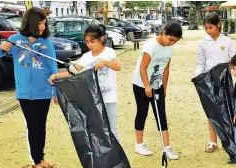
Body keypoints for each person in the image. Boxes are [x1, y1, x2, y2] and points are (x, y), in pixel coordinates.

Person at [0, 7, 59, 168]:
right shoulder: (16, 40)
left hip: (44, 91)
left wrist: (56, 91)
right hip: (25, 94)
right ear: (30, 22)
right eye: (40, 23)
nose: (43, 27)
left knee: (41, 126)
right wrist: (1, 45)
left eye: (44, 23)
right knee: (33, 126)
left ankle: (41, 158)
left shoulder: (46, 43)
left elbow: (53, 68)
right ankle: (36, 162)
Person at [48, 24, 121, 142]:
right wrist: (56, 76)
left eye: (92, 41)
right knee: (97, 129)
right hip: (93, 99)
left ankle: (119, 158)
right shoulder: (86, 57)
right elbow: (73, 72)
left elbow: (118, 66)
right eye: (87, 42)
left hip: (109, 98)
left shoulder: (109, 51)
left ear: (101, 39)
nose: (89, 45)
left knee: (113, 129)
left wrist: (105, 62)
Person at [132, 21, 182, 160]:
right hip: (141, 84)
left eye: (175, 42)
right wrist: (147, 86)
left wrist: (163, 88)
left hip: (157, 84)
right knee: (142, 112)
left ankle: (167, 147)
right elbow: (142, 68)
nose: (172, 43)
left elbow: (165, 69)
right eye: (171, 39)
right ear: (164, 32)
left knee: (161, 114)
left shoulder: (169, 48)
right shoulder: (151, 45)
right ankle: (139, 144)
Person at [195, 12, 236, 153]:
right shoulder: (203, 43)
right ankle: (213, 142)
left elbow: (233, 61)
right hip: (209, 81)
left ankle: (233, 139)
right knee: (212, 112)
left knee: (228, 109)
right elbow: (200, 63)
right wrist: (198, 77)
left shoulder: (228, 42)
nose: (208, 31)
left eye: (210, 27)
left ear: (218, 25)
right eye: (206, 28)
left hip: (225, 81)